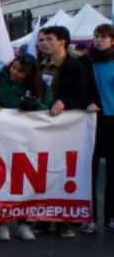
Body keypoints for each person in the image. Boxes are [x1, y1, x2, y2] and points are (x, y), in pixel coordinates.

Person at [0, 55, 52, 241]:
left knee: (24, 181)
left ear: (30, 74)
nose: (15, 73)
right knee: (3, 178)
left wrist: (35, 105)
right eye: (13, 68)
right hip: (1, 139)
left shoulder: (41, 87)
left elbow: (48, 109)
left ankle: (24, 222)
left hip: (29, 141)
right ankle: (2, 221)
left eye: (21, 71)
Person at [37, 24, 91, 238]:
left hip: (66, 128)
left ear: (62, 42)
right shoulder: (41, 65)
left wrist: (64, 102)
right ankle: (42, 218)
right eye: (41, 40)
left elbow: (84, 97)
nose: (44, 43)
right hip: (43, 126)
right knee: (42, 172)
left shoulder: (75, 66)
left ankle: (64, 221)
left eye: (49, 39)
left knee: (63, 172)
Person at [82, 24, 114, 234]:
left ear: (112, 40)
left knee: (112, 171)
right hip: (92, 119)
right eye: (96, 36)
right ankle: (89, 216)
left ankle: (111, 217)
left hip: (113, 119)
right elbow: (81, 87)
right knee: (88, 169)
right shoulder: (86, 62)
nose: (98, 40)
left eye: (103, 37)